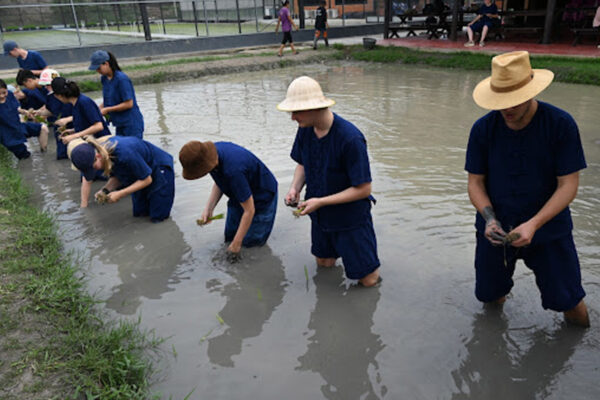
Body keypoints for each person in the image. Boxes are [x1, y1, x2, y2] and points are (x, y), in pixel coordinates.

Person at [465, 51, 590, 327]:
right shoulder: (483, 130)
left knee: (569, 301)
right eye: (500, 102)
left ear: (531, 92)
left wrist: (534, 223)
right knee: (490, 295)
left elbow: (568, 185)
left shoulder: (560, 125)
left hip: (548, 228)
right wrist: (489, 219)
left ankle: (578, 344)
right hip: (495, 230)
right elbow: (475, 183)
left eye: (513, 101)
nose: (506, 109)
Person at [277, 76, 380, 287]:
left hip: (350, 219)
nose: (293, 117)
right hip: (319, 214)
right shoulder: (305, 129)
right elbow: (303, 163)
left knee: (368, 279)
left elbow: (363, 189)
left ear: (315, 108)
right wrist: (294, 189)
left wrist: (321, 201)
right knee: (324, 263)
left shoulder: (350, 139)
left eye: (297, 112)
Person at [179, 141, 278, 258]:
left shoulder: (234, 171)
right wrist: (209, 209)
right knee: (229, 237)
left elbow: (250, 211)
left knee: (250, 246)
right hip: (238, 195)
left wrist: (237, 243)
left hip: (261, 199)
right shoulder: (210, 156)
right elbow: (219, 182)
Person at [67, 135, 174, 221]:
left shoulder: (124, 154)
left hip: (159, 169)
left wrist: (120, 193)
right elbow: (119, 176)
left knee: (157, 217)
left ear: (98, 157)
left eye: (93, 168)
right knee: (139, 214)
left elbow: (147, 179)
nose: (95, 171)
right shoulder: (104, 156)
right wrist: (105, 190)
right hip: (139, 173)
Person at [89, 50, 145, 139]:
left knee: (131, 149)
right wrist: (97, 110)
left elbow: (129, 104)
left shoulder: (121, 79)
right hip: (119, 123)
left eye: (99, 68)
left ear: (106, 64)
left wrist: (107, 109)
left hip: (131, 123)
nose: (97, 71)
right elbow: (108, 100)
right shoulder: (104, 79)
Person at [50, 77, 111, 145]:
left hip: (103, 143)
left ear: (59, 95)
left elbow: (98, 126)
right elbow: (86, 124)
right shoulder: (75, 104)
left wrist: (75, 136)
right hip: (93, 142)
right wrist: (73, 131)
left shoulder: (84, 102)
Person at [0, 79, 48, 158]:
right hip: (8, 135)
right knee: (25, 157)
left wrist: (25, 112)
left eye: (4, 92)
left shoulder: (10, 95)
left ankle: (44, 154)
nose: (2, 96)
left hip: (19, 126)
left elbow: (16, 108)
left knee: (43, 128)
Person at [33, 69, 73, 160]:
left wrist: (67, 120)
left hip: (72, 128)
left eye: (49, 85)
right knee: (62, 155)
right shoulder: (50, 97)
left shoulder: (70, 96)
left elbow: (80, 114)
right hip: (59, 129)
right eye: (45, 85)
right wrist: (39, 113)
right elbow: (51, 111)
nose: (47, 88)